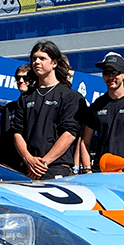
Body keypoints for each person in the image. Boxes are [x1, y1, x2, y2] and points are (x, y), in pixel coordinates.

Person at [11, 41, 84, 179]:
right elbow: (17, 133)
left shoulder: (70, 96)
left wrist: (44, 163)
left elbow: (70, 134)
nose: (37, 62)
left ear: (54, 63)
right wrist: (28, 159)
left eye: (42, 58)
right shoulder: (25, 98)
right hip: (27, 169)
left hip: (56, 168)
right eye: (34, 58)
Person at [0, 64, 35, 170]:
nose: (21, 81)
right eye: (18, 78)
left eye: (25, 78)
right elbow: (1, 140)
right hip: (11, 165)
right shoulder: (9, 108)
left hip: (35, 164)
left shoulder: (40, 106)